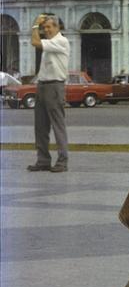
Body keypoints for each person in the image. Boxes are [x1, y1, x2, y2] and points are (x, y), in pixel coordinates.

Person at [27, 14, 70, 172]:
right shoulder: (49, 43)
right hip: (42, 85)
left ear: (57, 28)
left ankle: (62, 161)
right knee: (40, 126)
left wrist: (35, 26)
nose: (46, 30)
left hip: (55, 86)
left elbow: (34, 42)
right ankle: (43, 160)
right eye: (44, 28)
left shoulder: (61, 41)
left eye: (49, 27)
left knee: (58, 125)